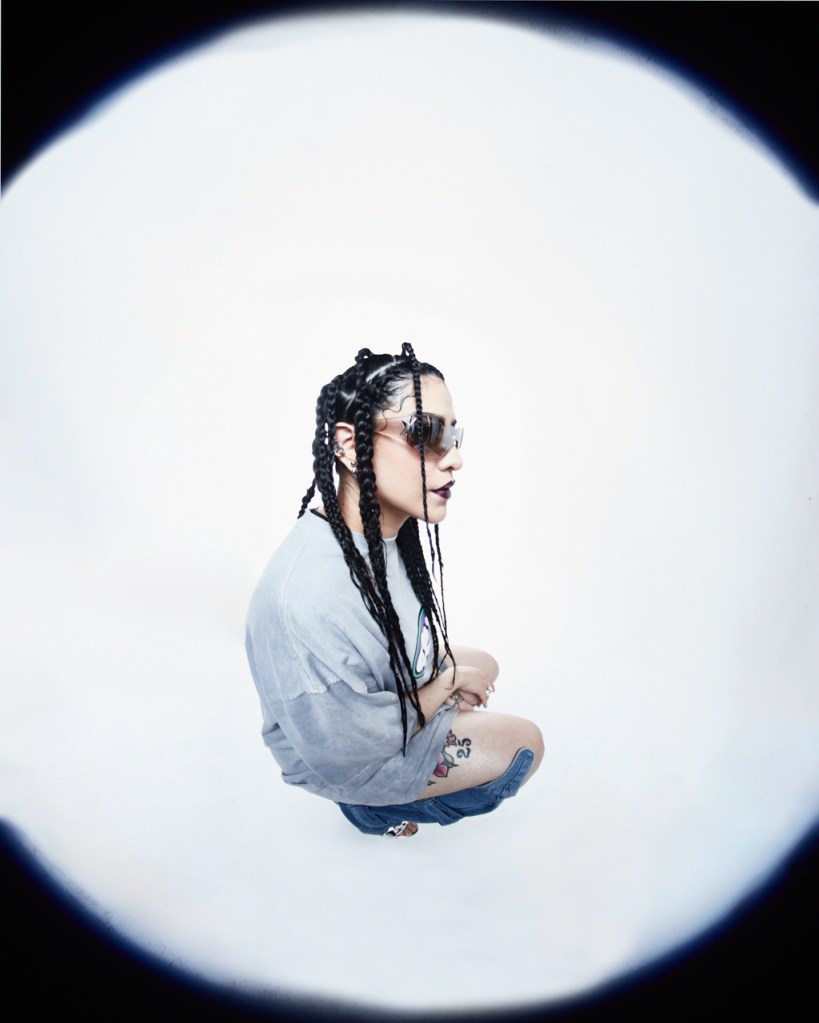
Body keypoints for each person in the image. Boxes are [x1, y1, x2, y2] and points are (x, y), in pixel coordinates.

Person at [245, 344, 543, 837]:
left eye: (453, 436)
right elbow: (346, 744)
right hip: (345, 758)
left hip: (374, 701)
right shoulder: (307, 595)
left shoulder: (380, 531)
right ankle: (371, 809)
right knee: (523, 746)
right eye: (425, 434)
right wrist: (444, 688)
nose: (455, 458)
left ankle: (423, 731)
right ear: (348, 445)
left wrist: (446, 683)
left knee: (483, 665)